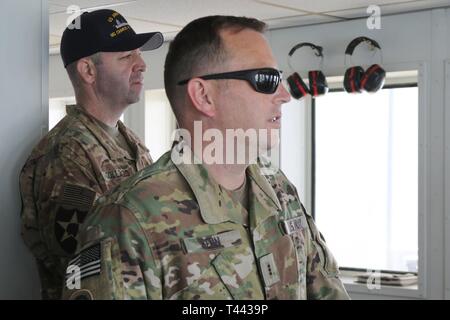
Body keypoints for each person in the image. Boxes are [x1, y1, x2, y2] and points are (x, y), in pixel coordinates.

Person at [62, 15, 349, 300]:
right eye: (265, 79)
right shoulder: (128, 221)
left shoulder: (279, 190)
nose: (284, 95)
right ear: (203, 96)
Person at [19, 9, 164, 299]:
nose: (142, 64)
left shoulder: (131, 143)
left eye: (138, 54)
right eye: (126, 56)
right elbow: (84, 264)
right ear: (88, 71)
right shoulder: (66, 153)